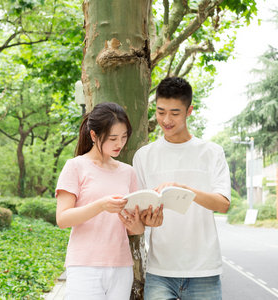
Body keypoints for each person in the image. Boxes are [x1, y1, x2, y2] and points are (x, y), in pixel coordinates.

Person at [133, 77, 231, 300]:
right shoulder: (144, 156)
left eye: (175, 113)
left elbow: (223, 204)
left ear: (189, 111)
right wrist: (148, 219)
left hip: (204, 269)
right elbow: (139, 213)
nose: (166, 120)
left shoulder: (211, 152)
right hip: (160, 270)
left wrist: (184, 190)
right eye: (160, 112)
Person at [55, 102, 145, 300]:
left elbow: (135, 231)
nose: (119, 144)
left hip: (121, 265)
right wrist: (101, 205)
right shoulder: (75, 167)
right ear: (94, 135)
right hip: (84, 265)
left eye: (123, 137)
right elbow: (62, 219)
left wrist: (137, 224)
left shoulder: (128, 172)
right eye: (112, 138)